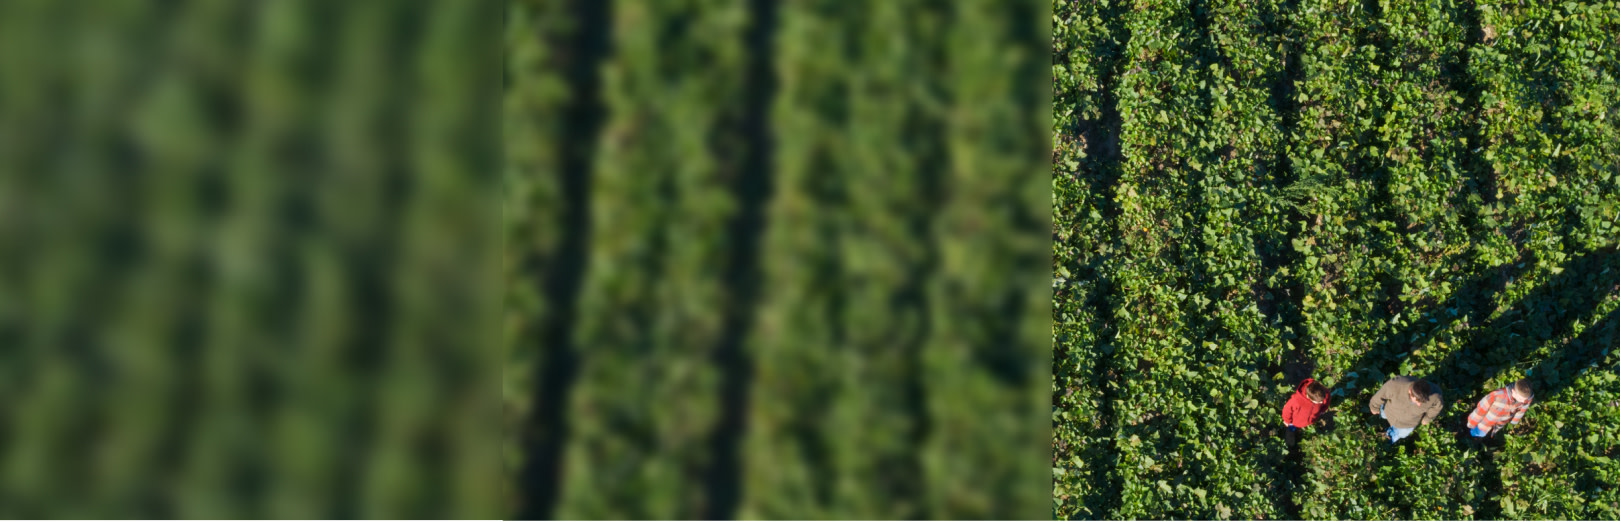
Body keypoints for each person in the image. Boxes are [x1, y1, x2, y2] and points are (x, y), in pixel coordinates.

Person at [1367, 376, 1442, 444]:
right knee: (1383, 415)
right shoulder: (1396, 385)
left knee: (1400, 434)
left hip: (1408, 424)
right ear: (1410, 391)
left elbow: (1437, 408)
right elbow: (1379, 396)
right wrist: (1374, 407)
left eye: (1422, 401)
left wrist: (1427, 418)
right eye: (1417, 401)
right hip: (1389, 412)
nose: (1419, 405)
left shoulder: (1435, 396)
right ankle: (1382, 424)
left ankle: (1388, 439)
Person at [1466, 379, 1533, 439]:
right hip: (1486, 422)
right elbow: (1481, 409)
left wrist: (1514, 420)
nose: (1523, 401)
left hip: (1501, 422)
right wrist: (1472, 423)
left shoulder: (1527, 398)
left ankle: (1485, 434)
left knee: (1490, 431)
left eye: (1525, 400)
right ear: (1513, 391)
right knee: (1479, 432)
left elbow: (1522, 410)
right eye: (1520, 399)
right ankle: (1471, 434)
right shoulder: (1497, 395)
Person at [1280, 378, 1331, 449]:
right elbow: (1287, 410)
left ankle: (1300, 429)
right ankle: (1290, 436)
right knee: (1291, 428)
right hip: (1295, 422)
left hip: (1310, 419)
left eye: (1321, 401)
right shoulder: (1297, 401)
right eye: (1318, 402)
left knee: (1301, 426)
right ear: (1308, 397)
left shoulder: (1323, 393)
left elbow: (1326, 402)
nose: (1321, 403)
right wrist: (1287, 421)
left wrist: (1323, 409)